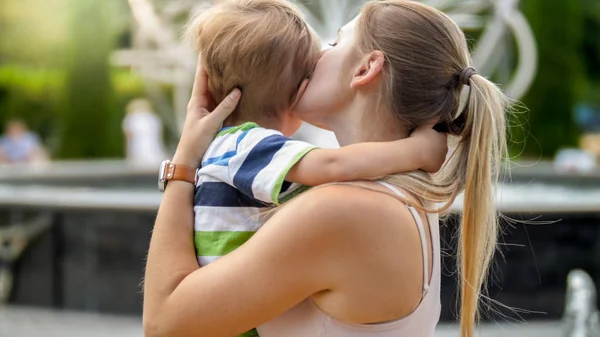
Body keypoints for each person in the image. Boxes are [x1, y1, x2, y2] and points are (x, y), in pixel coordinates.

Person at [143, 1, 508, 337]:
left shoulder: (342, 211)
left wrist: (185, 163)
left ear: (366, 68)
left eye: (335, 42)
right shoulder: (402, 196)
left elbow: (164, 325)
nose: (318, 54)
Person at [186, 0, 446, 279]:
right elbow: (333, 165)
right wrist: (416, 151)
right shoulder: (245, 144)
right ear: (294, 95)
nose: (324, 55)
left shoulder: (241, 147)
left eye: (335, 43)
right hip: (233, 311)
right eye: (308, 74)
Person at [122, 98, 168, 167]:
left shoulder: (131, 119)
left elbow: (128, 139)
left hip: (142, 151)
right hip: (151, 151)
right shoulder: (154, 119)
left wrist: (128, 155)